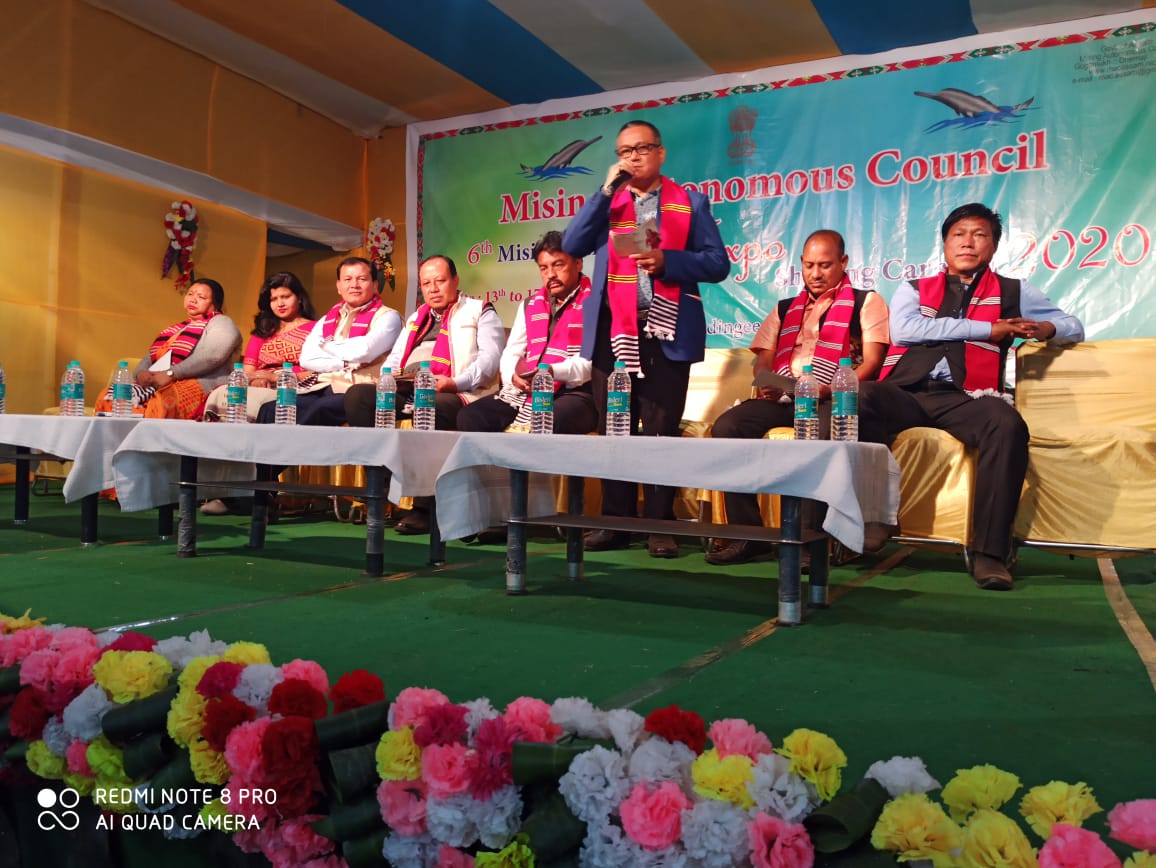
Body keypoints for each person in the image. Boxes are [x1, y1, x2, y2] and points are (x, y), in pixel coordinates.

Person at [859, 202, 1084, 591]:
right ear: (945, 244)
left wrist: (1046, 328)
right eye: (958, 235)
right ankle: (873, 517)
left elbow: (1073, 325)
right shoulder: (914, 288)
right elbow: (906, 331)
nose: (968, 243)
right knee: (861, 397)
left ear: (993, 246)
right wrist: (987, 329)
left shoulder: (1015, 291)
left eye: (980, 235)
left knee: (1006, 424)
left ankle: (990, 553)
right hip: (907, 390)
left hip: (967, 398)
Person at [562, 120, 730, 559]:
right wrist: (603, 193)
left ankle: (659, 524)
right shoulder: (609, 203)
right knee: (615, 425)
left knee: (660, 430)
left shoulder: (690, 202)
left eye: (641, 149)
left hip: (665, 329)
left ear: (660, 153)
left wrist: (669, 261)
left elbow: (717, 263)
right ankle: (616, 523)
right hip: (614, 333)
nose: (632, 158)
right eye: (624, 151)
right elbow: (573, 244)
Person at [707, 230, 891, 565]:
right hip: (788, 397)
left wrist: (831, 388)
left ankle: (809, 540)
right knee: (727, 428)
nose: (815, 274)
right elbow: (763, 360)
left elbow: (873, 362)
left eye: (825, 265)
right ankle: (749, 536)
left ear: (843, 262)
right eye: (809, 265)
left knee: (816, 436)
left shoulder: (866, 302)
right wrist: (768, 381)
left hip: (836, 400)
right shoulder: (785, 308)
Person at [344, 254, 504, 534]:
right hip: (409, 388)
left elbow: (489, 362)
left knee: (432, 405)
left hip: (459, 392)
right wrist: (390, 379)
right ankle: (383, 484)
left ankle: (424, 507)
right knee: (359, 396)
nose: (433, 289)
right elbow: (396, 357)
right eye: (426, 284)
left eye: (440, 281)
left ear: (455, 280)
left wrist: (454, 383)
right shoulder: (417, 317)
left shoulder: (480, 311)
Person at [456, 231, 597, 435]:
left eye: (558, 265)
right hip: (524, 391)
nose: (551, 274)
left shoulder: (596, 304)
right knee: (470, 417)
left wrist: (551, 372)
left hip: (575, 392)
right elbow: (511, 352)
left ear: (578, 263)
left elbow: (591, 363)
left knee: (547, 420)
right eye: (543, 268)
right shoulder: (530, 305)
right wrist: (514, 376)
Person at [256, 257, 401, 426]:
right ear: (338, 286)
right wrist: (345, 362)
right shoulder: (328, 319)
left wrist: (326, 346)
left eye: (361, 279)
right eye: (347, 279)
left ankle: (293, 443)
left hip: (358, 388)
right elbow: (307, 358)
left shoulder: (388, 317)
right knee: (271, 409)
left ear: (375, 285)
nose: (354, 285)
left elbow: (365, 350)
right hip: (323, 385)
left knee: (319, 409)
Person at [95, 278, 241, 419]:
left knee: (160, 403)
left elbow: (213, 355)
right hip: (160, 381)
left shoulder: (222, 322)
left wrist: (172, 374)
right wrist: (141, 373)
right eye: (190, 294)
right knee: (112, 396)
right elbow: (152, 356)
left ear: (215, 304)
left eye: (201, 297)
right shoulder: (178, 329)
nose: (193, 299)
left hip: (200, 384)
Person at [204, 272, 317, 422]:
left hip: (296, 389)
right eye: (274, 299)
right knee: (222, 393)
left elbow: (318, 371)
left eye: (286, 297)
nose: (280, 304)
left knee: (254, 400)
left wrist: (276, 378)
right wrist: (255, 380)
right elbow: (248, 372)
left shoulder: (316, 329)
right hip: (259, 385)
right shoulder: (263, 331)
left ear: (300, 298)